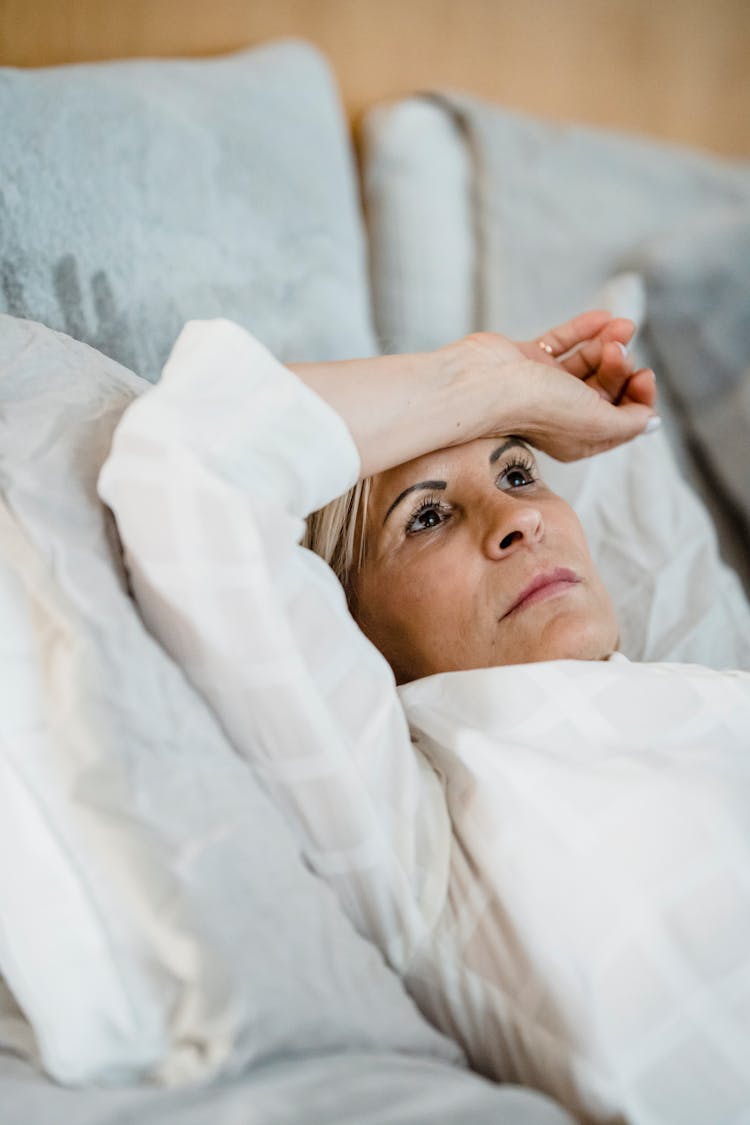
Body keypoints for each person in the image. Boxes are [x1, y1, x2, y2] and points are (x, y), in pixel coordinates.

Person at [98, 314, 750, 1125]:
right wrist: (482, 381)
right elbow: (191, 465)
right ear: (354, 628)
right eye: (427, 517)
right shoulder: (423, 829)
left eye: (517, 473)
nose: (520, 519)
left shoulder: (711, 686)